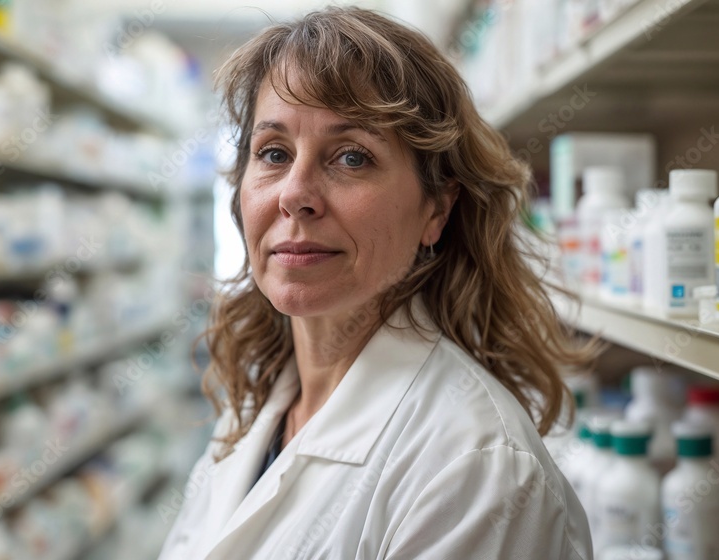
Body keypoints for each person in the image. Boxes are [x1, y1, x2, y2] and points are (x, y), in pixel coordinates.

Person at [158, 6, 595, 560]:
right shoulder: (257, 404)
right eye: (273, 153)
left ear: (436, 208)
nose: (295, 194)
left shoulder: (474, 467)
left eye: (351, 157)